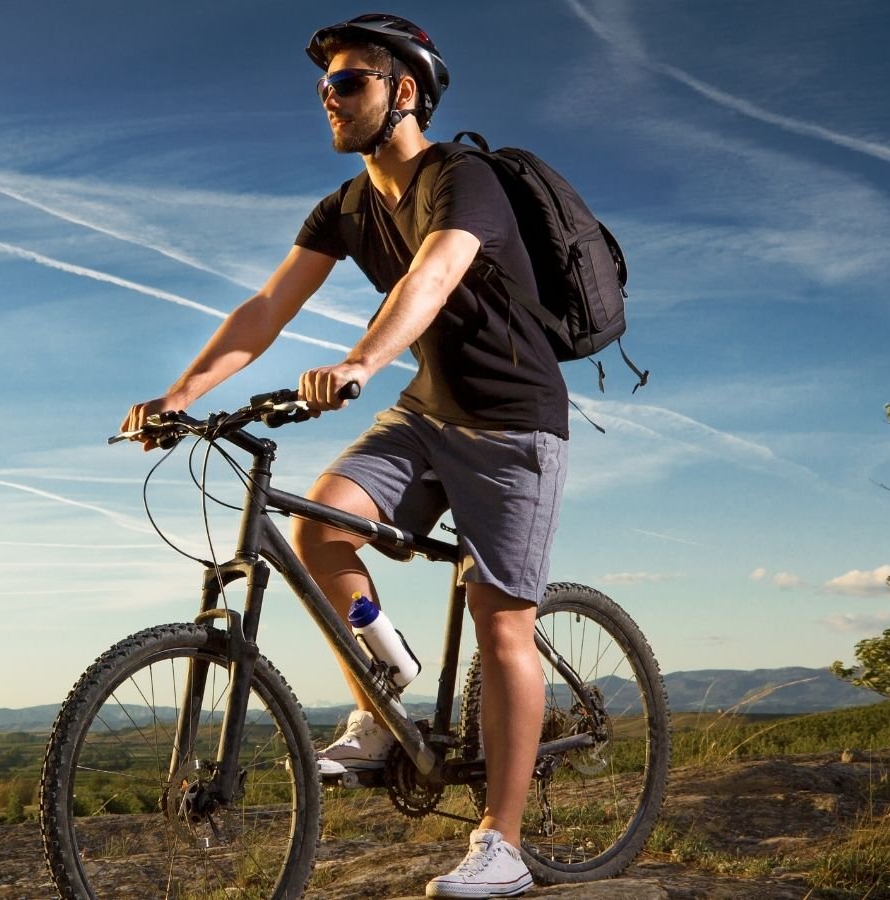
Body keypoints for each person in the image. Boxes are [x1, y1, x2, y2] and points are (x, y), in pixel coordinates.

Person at [121, 13, 567, 899]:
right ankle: (383, 689)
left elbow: (432, 276)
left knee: (501, 617)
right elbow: (267, 307)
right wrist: (182, 393)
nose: (329, 94)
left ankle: (504, 845)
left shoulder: (461, 178)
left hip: (511, 421)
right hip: (426, 411)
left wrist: (362, 360)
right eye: (324, 83)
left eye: (349, 81)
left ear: (404, 92)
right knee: (321, 534)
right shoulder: (346, 207)